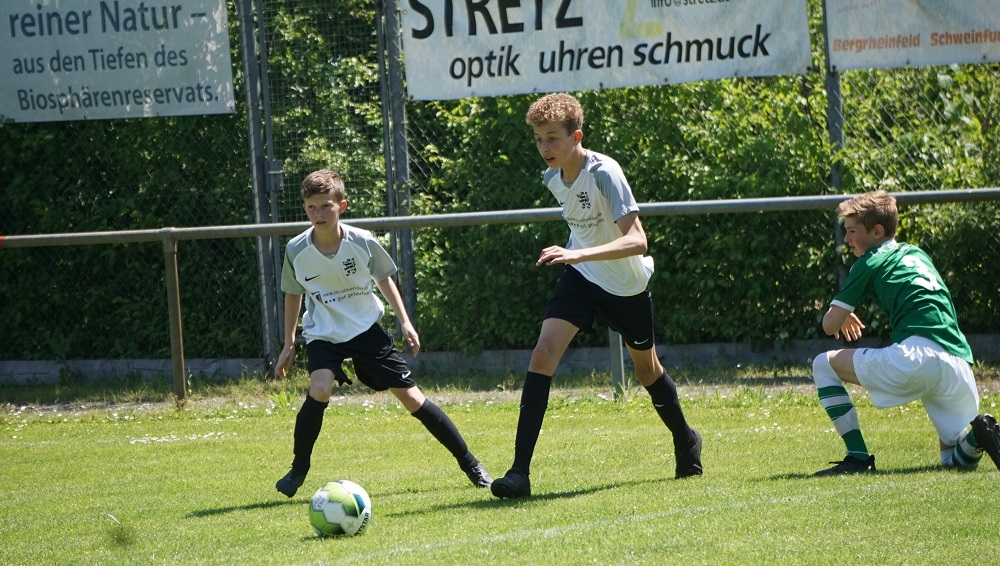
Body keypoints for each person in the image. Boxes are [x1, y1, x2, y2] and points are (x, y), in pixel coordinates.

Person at [490, 93, 702, 499]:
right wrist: (578, 258)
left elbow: (638, 241)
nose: (544, 147)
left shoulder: (605, 172)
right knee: (542, 354)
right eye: (538, 139)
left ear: (577, 136)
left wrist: (577, 253)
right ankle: (518, 473)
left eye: (553, 138)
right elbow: (584, 232)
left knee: (647, 371)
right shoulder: (553, 179)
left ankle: (686, 439)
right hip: (582, 278)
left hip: (626, 287)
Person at [273, 169, 492, 497]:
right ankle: (298, 470)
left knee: (413, 399)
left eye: (325, 206)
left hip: (365, 330)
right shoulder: (296, 249)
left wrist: (405, 321)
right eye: (311, 207)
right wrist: (289, 342)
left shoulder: (361, 241)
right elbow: (293, 293)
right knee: (319, 389)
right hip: (325, 334)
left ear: (342, 206)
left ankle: (471, 464)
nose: (318, 213)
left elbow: (384, 279)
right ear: (304, 208)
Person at [811, 190, 1000, 476]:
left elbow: (829, 326)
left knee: (823, 365)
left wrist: (839, 313)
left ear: (877, 231)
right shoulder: (917, 253)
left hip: (916, 358)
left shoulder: (869, 260)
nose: (846, 239)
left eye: (851, 231)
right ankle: (978, 434)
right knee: (953, 456)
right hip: (958, 363)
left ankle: (857, 458)